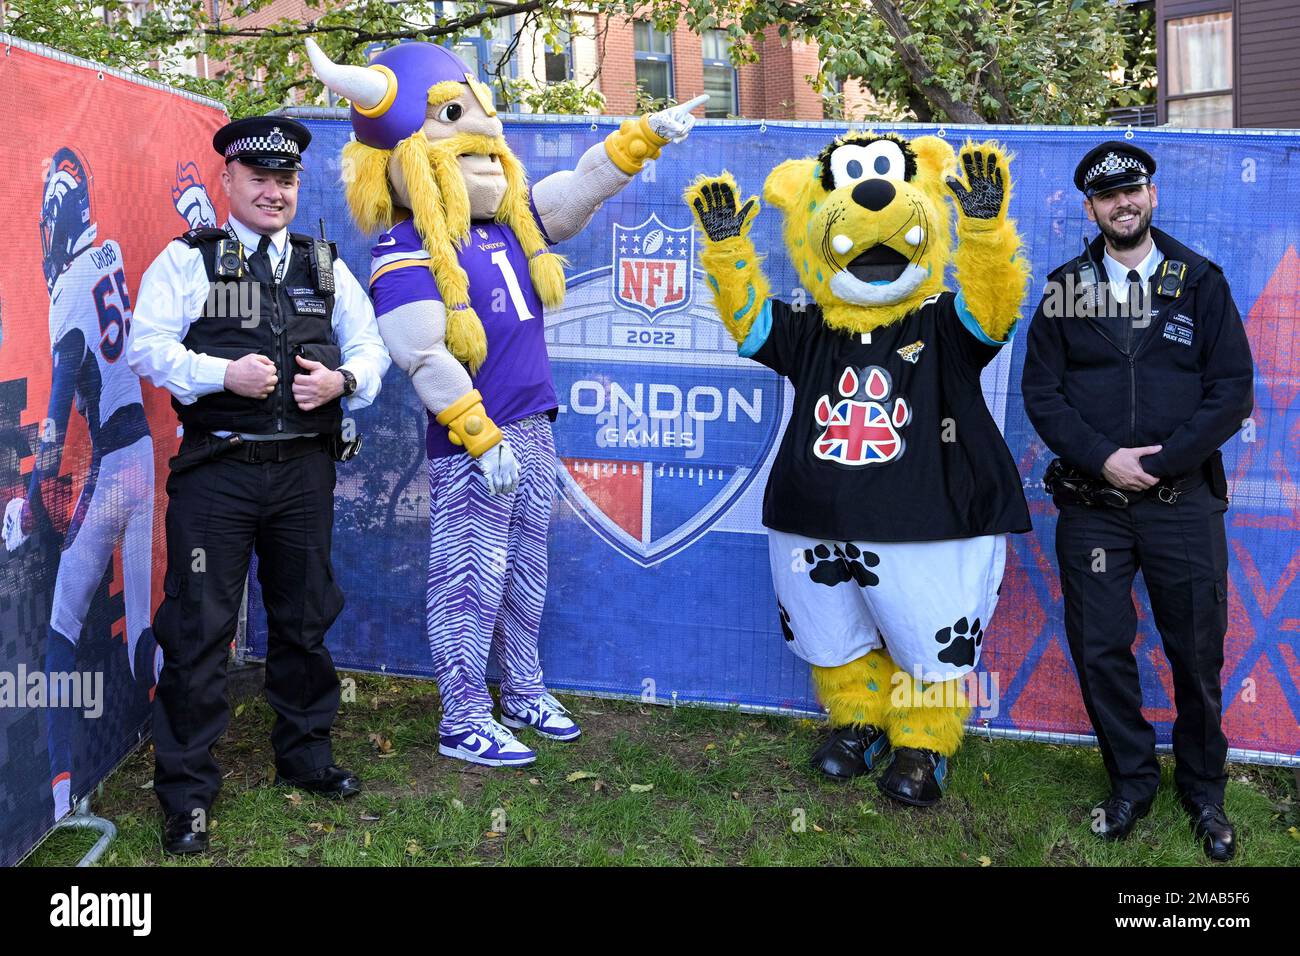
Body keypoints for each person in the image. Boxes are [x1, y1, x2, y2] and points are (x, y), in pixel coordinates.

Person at [306, 39, 702, 767]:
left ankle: (521, 687)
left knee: (525, 568)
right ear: (414, 167)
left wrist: (643, 136)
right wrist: (478, 436)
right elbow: (421, 354)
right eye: (465, 155)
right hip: (474, 444)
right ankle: (462, 718)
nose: (488, 163)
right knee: (469, 575)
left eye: (490, 151)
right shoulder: (407, 248)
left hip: (532, 422)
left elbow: (581, 185)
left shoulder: (509, 226)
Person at [126, 116, 390, 854]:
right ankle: (185, 797)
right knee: (199, 628)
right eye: (260, 179)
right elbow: (148, 345)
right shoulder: (190, 262)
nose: (275, 193)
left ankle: (306, 759)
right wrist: (222, 375)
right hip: (219, 472)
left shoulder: (322, 264)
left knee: (305, 618)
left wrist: (344, 381)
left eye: (286, 180)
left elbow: (371, 347)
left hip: (304, 471)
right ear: (229, 182)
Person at [1021, 140, 1254, 861]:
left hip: (1183, 502)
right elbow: (1042, 393)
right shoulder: (1067, 287)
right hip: (1095, 506)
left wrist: (1162, 462)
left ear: (1151, 195)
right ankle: (1130, 783)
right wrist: (1103, 458)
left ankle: (1204, 795)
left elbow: (1231, 390)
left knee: (1196, 652)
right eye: (1106, 196)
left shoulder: (1200, 281)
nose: (1122, 204)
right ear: (1090, 209)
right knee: (1100, 650)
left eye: (1132, 191)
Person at [2, 145, 159, 822]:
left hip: (116, 467)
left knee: (60, 629)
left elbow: (58, 421)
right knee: (141, 631)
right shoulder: (112, 253)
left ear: (60, 217)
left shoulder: (68, 288)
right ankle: (178, 748)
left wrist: (31, 509)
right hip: (145, 455)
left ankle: (61, 798)